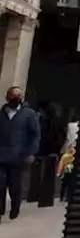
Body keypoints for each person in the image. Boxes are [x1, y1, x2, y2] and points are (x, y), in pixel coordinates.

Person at [0, 86, 40, 222]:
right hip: (1, 155)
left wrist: (31, 152)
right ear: (7, 97)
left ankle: (15, 207)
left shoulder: (28, 114)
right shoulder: (2, 113)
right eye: (13, 95)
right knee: (0, 183)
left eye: (19, 95)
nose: (16, 98)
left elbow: (35, 135)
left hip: (19, 156)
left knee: (15, 185)